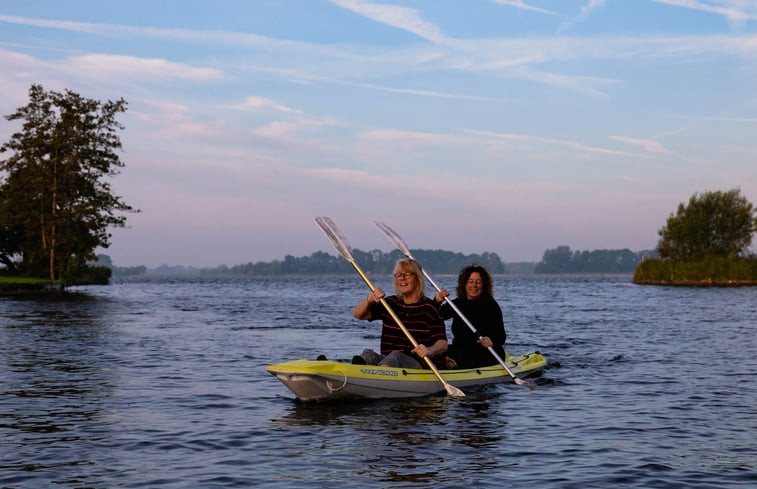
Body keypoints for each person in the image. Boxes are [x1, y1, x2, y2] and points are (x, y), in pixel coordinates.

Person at [351, 258, 448, 369]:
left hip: (417, 364)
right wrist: (370, 299)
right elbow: (357, 314)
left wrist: (429, 350)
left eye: (407, 274)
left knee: (396, 356)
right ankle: (354, 375)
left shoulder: (429, 307)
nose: (402, 279)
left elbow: (443, 344)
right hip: (388, 361)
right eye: (398, 275)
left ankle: (380, 377)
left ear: (417, 278)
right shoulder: (390, 303)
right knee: (368, 354)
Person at [434, 264, 506, 369]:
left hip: (485, 352)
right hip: (460, 349)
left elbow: (501, 337)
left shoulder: (490, 305)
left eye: (479, 282)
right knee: (435, 353)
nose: (474, 285)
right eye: (470, 282)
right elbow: (434, 317)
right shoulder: (457, 304)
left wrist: (491, 341)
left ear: (484, 285)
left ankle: (452, 367)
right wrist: (437, 301)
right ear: (464, 284)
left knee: (462, 356)